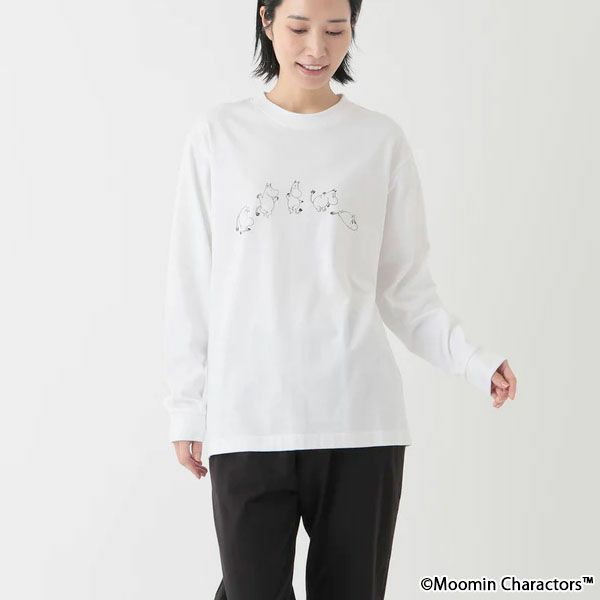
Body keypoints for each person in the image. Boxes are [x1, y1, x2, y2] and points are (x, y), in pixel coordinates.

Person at [162, 1, 518, 599]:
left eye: (335, 30)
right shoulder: (219, 135)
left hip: (359, 423)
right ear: (266, 20)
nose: (317, 49)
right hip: (250, 422)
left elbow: (405, 289)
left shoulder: (379, 140)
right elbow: (191, 281)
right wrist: (185, 407)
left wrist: (473, 360)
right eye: (299, 28)